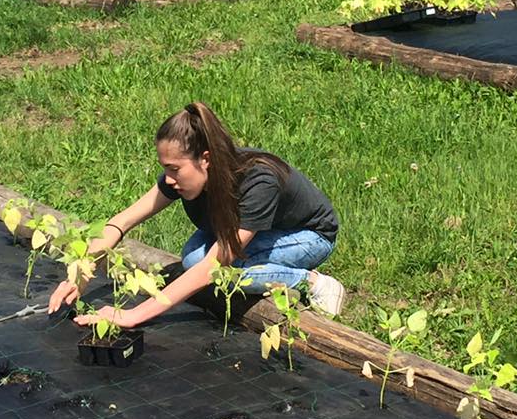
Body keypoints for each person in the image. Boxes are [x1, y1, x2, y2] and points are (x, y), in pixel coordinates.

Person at [48, 102, 345, 330]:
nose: (169, 179)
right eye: (165, 168)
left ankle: (311, 281)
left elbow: (211, 268)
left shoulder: (258, 181)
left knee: (221, 277)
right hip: (250, 233)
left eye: (175, 169)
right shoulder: (181, 178)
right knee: (191, 258)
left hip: (308, 236)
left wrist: (131, 315)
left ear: (206, 159)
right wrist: (78, 277)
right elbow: (121, 222)